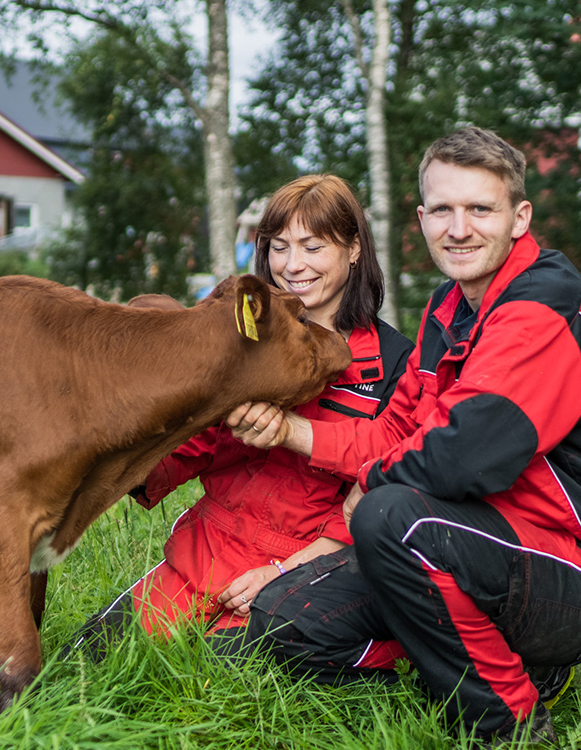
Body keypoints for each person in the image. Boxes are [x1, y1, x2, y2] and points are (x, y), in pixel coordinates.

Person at [225, 127, 581, 748]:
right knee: (284, 619)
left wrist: (370, 486)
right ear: (422, 218)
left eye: (480, 209)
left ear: (519, 218)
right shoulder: (446, 308)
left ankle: (507, 731)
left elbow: (462, 459)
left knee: (388, 516)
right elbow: (394, 434)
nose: (459, 228)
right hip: (472, 535)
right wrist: (292, 431)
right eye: (444, 210)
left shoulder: (545, 305)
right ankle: (465, 665)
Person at [70, 174, 414, 654]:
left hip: (305, 565)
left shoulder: (398, 362)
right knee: (89, 660)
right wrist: (126, 454)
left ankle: (368, 650)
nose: (293, 265)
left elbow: (384, 489)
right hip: (208, 545)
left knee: (216, 676)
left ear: (354, 249)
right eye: (279, 247)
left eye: (313, 247)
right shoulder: (243, 341)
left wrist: (284, 573)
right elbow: (200, 440)